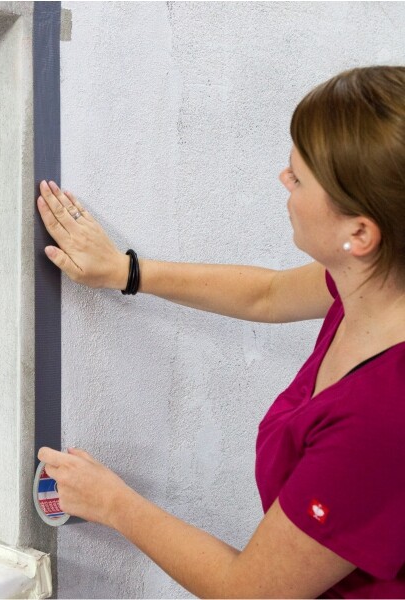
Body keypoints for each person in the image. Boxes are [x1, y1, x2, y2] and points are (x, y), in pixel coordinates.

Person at [36, 66, 405, 598]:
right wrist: (125, 270)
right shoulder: (375, 284)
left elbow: (249, 592)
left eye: (300, 179)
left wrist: (112, 503)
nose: (284, 179)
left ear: (361, 233)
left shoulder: (380, 416)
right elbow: (268, 294)